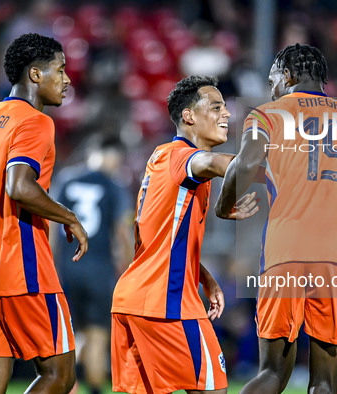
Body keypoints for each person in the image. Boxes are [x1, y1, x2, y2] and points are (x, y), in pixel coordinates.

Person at [215, 43, 337, 394]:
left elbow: (245, 164)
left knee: (273, 372)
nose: (270, 87)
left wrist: (224, 205)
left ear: (287, 76)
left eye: (272, 79)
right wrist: (331, 205)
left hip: (286, 251)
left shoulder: (268, 114)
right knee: (324, 381)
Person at [0, 33, 88, 393]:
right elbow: (19, 186)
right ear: (35, 75)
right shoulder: (35, 121)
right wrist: (69, 217)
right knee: (59, 374)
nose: (68, 78)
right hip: (20, 267)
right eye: (60, 69)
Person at [111, 76, 258, 394]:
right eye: (216, 106)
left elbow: (157, 238)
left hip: (132, 300)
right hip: (168, 303)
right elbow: (232, 165)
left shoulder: (160, 157)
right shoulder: (184, 157)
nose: (226, 114)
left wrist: (201, 275)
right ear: (189, 116)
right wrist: (225, 203)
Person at [54, 134, 133, 394]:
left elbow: (52, 225)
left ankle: (64, 383)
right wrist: (130, 266)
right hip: (99, 268)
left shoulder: (66, 179)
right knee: (98, 334)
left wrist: (52, 266)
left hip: (68, 267)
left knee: (70, 335)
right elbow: (122, 231)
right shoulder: (113, 185)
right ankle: (95, 390)